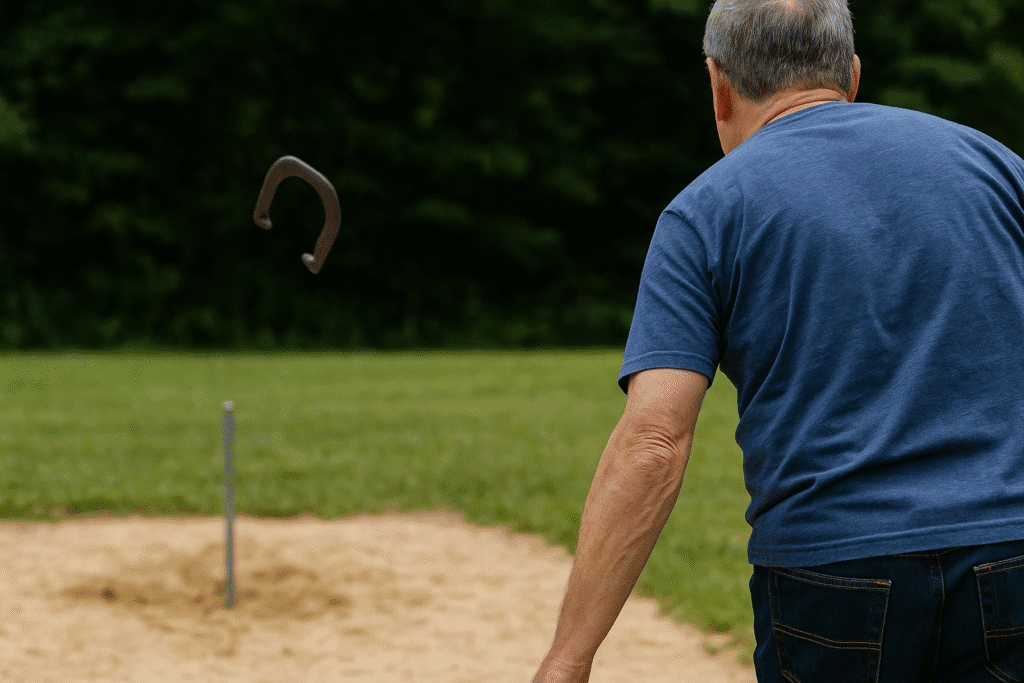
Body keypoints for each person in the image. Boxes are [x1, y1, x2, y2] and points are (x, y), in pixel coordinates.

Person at [531, 0, 1024, 681]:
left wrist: (568, 658)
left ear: (718, 85)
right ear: (851, 74)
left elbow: (654, 441)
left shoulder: (706, 212)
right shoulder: (998, 167)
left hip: (833, 575)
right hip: (1011, 554)